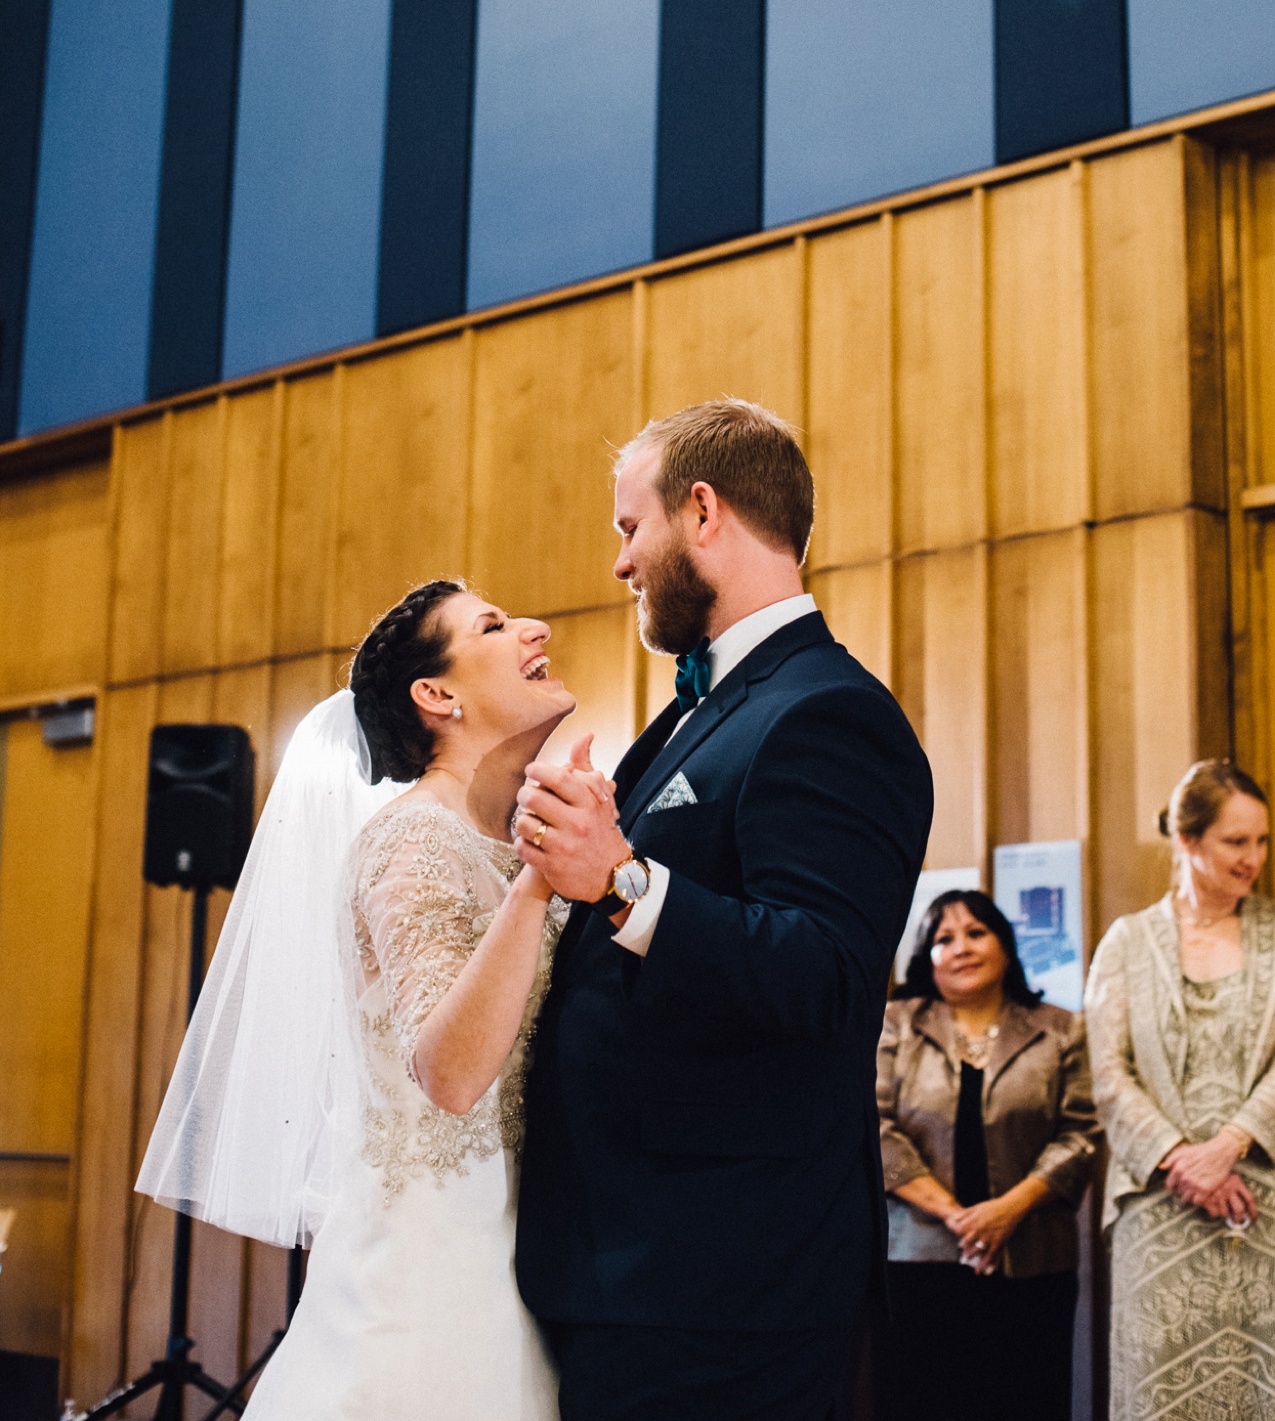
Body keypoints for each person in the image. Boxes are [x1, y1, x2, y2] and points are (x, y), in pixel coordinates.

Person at [510, 399, 935, 1421]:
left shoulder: (828, 712)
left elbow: (825, 975)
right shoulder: (699, 712)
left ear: (701, 512)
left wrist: (620, 881)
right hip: (635, 1269)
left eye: (628, 528)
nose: (619, 564)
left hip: (724, 1286)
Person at [139, 577, 592, 1419]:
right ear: (437, 694)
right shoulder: (413, 838)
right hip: (430, 1272)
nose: (536, 627)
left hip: (524, 1249)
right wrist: (537, 883)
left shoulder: (517, 843)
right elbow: (450, 1072)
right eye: (493, 625)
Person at [1084, 758, 1275, 1421]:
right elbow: (1110, 1076)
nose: (1253, 857)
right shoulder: (1125, 941)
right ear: (1187, 839)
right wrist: (1183, 1160)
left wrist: (1225, 1147)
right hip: (1161, 1193)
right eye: (1236, 841)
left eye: (1261, 840)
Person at [874, 890, 1099, 1421]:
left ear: (1005, 943)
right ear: (926, 956)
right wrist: (958, 1217)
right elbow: (873, 1127)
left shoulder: (1062, 1029)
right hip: (917, 1262)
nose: (961, 948)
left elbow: (1082, 1133)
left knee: (1027, 1399)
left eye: (977, 932)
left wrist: (1006, 1212)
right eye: (943, 938)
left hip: (1031, 1258)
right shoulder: (895, 1024)